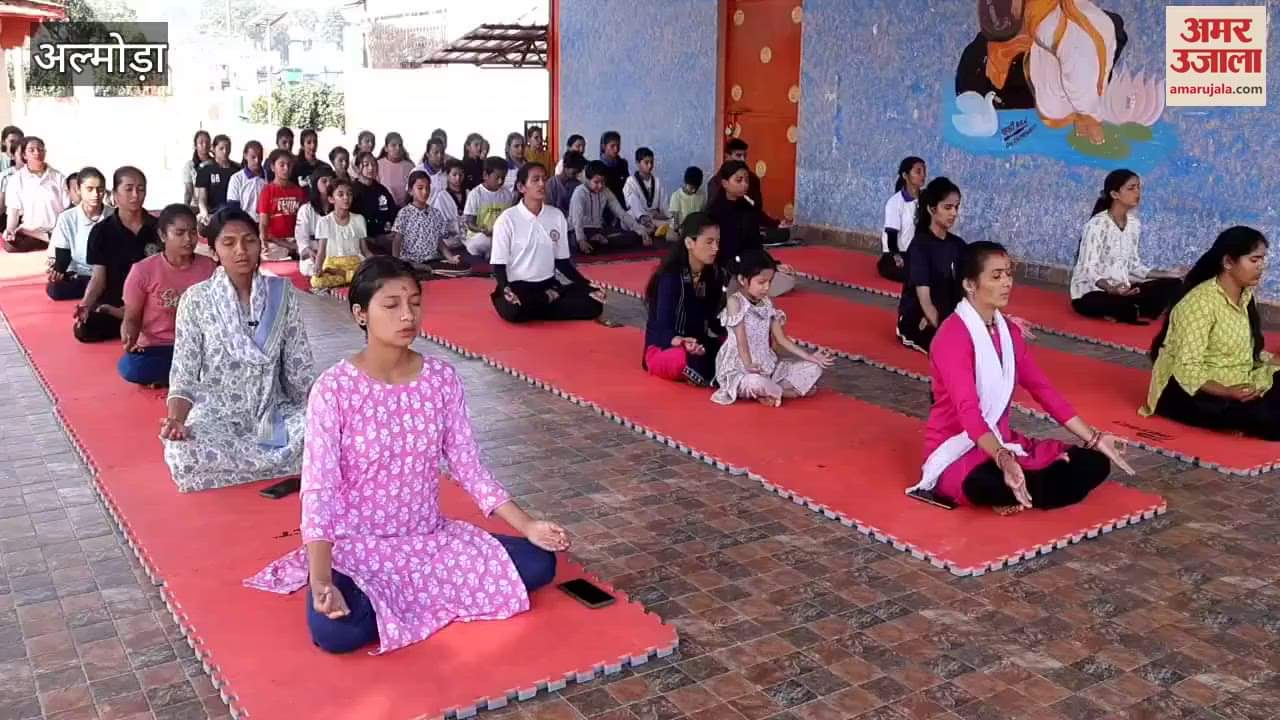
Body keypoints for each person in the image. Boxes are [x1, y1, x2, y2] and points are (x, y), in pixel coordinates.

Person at [244, 256, 565, 655]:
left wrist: (528, 524)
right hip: (359, 549)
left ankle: (406, 600)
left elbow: (468, 466)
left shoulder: (442, 380)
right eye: (391, 305)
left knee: (540, 563)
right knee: (335, 634)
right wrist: (322, 578)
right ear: (360, 314)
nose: (407, 315)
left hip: (428, 542)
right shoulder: (334, 390)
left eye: (414, 302)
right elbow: (319, 489)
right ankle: (415, 595)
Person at [909, 241, 1132, 513]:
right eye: (996, 276)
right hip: (958, 449)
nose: (1007, 282)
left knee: (1095, 463)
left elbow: (1043, 389)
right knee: (984, 483)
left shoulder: (1009, 333)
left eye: (1008, 274)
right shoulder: (951, 338)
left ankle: (1020, 485)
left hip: (1003, 441)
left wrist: (1095, 438)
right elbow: (968, 412)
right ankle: (1016, 484)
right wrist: (1003, 459)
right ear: (969, 284)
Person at [161, 209, 315, 492]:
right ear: (214, 251)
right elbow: (184, 372)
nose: (241, 250)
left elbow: (299, 366)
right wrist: (176, 420)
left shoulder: (282, 293)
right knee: (182, 451)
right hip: (219, 417)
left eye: (249, 241)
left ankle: (266, 458)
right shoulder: (196, 300)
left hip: (273, 413)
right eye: (229, 243)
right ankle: (277, 462)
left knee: (321, 430)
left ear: (260, 244)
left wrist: (318, 410)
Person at [1143, 227, 1280, 439]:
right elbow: (1187, 368)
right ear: (1228, 262)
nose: (1261, 266)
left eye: (1262, 259)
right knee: (1271, 420)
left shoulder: (1246, 297)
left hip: (1240, 380)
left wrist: (1271, 360)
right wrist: (1228, 391)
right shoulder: (1198, 304)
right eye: (1254, 260)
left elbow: (1242, 350)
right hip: (1195, 391)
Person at [711, 250, 831, 406]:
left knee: (815, 368)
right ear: (742, 280)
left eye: (770, 282)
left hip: (768, 368)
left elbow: (781, 339)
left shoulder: (767, 303)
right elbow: (741, 341)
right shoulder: (735, 302)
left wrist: (809, 357)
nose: (766, 287)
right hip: (741, 369)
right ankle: (784, 392)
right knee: (756, 382)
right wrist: (748, 365)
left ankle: (773, 393)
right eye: (761, 282)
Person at [490, 163, 606, 323]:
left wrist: (586, 285)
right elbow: (499, 265)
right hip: (518, 287)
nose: (541, 184)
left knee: (594, 304)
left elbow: (562, 262)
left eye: (544, 179)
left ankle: (544, 301)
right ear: (521, 187)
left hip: (547, 285)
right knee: (514, 310)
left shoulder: (556, 216)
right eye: (535, 180)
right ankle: (548, 301)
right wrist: (505, 289)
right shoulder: (507, 220)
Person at [118, 205, 216, 387]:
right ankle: (186, 375)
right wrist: (129, 337)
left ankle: (176, 376)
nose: (188, 239)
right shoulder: (142, 270)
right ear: (163, 235)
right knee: (131, 367)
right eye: (179, 233)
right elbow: (132, 316)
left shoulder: (209, 267)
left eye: (192, 232)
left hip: (198, 345)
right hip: (158, 347)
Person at [1070, 169, 1181, 324]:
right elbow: (1088, 269)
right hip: (1093, 292)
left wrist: (1170, 274)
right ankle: (1131, 309)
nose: (1137, 192)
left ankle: (1131, 309)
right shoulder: (1097, 224)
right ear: (1115, 194)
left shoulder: (1134, 224)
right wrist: (1111, 289)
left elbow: (1134, 266)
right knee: (1106, 302)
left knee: (1174, 284)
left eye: (1138, 187)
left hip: (1123, 290)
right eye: (1131, 188)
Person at [76, 167, 159, 343]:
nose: (135, 195)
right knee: (85, 328)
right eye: (128, 189)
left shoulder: (159, 228)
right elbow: (98, 279)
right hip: (115, 300)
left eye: (141, 189)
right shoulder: (101, 231)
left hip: (152, 301)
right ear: (115, 194)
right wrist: (85, 304)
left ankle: (135, 320)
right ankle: (127, 318)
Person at [643, 213, 726, 386]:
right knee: (680, 358)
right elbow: (662, 327)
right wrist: (680, 341)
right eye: (709, 242)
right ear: (689, 243)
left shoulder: (714, 275)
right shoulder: (670, 277)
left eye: (718, 242)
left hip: (698, 344)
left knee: (730, 348)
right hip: (666, 346)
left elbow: (714, 322)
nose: (716, 248)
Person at [897, 177, 967, 352]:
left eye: (956, 207)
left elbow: (972, 289)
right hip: (920, 317)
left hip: (948, 316)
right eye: (948, 207)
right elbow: (925, 300)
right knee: (952, 352)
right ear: (931, 209)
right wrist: (946, 331)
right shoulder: (920, 247)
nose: (954, 213)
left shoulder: (958, 245)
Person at [706, 161, 795, 296]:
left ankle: (748, 285)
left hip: (748, 264)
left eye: (746, 180)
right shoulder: (714, 212)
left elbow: (755, 244)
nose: (745, 184)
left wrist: (772, 265)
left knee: (787, 280)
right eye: (739, 180)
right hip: (724, 267)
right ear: (725, 183)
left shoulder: (748, 208)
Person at [48, 167, 109, 301]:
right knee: (55, 289)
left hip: (107, 273)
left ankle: (96, 290)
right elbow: (63, 254)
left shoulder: (113, 216)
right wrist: (58, 270)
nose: (96, 194)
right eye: (89, 189)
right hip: (81, 274)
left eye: (100, 189)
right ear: (79, 190)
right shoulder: (67, 217)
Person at [392, 171, 466, 276]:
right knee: (408, 266)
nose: (425, 192)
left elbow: (439, 241)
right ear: (410, 191)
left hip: (432, 259)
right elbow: (397, 240)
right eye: (420, 188)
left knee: (459, 271)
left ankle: (428, 268)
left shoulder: (436, 213)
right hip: (410, 260)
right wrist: (395, 263)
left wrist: (450, 258)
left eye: (428, 188)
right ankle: (421, 268)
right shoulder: (404, 213)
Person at [3, 137, 70, 252]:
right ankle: (45, 240)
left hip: (55, 231)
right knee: (10, 246)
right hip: (30, 232)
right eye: (32, 150)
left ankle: (50, 240)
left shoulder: (58, 177)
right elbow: (13, 210)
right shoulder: (16, 179)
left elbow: (67, 209)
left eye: (40, 149)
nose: (37, 153)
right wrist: (10, 230)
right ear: (24, 155)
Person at [568, 161, 650, 255]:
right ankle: (596, 241)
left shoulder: (605, 191)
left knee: (634, 236)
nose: (600, 185)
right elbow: (577, 219)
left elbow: (621, 213)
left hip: (598, 230)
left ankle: (600, 240)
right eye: (596, 182)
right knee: (579, 243)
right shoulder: (579, 193)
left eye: (603, 182)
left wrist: (640, 229)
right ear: (587, 179)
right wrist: (581, 240)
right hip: (577, 231)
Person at [706, 139, 784, 238]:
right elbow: (712, 216)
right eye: (738, 155)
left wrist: (775, 224)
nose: (742, 160)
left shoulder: (753, 179)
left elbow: (756, 210)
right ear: (727, 157)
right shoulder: (715, 183)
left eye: (745, 156)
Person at [312, 179, 370, 290]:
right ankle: (350, 278)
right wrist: (318, 267)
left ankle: (344, 276)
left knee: (370, 275)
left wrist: (375, 264)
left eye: (349, 194)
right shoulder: (324, 221)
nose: (346, 198)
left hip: (355, 263)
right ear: (331, 199)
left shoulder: (359, 219)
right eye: (341, 194)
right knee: (316, 281)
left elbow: (364, 250)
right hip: (333, 264)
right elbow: (321, 251)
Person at [879, 156, 926, 283]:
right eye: (918, 171)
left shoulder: (926, 199)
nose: (923, 175)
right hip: (898, 254)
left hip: (918, 254)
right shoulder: (895, 202)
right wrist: (897, 257)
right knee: (918, 276)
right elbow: (891, 236)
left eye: (924, 171)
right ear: (905, 175)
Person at [257, 150, 308, 261]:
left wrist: (298, 243)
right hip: (275, 242)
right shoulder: (267, 191)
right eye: (282, 165)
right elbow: (263, 224)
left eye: (289, 165)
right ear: (273, 167)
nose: (286, 168)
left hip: (296, 240)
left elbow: (304, 222)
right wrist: (263, 242)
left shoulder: (298, 191)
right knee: (266, 257)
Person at [462, 157, 514, 259]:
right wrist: (481, 230)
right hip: (479, 237)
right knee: (484, 241)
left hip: (499, 236)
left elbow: (508, 219)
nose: (500, 181)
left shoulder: (507, 194)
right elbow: (469, 223)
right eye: (497, 178)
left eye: (503, 178)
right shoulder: (475, 194)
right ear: (485, 175)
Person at [351, 151, 398, 254]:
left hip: (385, 237)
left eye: (374, 164)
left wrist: (393, 231)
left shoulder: (382, 190)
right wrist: (371, 239)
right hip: (363, 241)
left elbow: (393, 212)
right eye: (366, 165)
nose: (371, 168)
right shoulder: (352, 191)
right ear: (358, 168)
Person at [295, 166, 335, 277]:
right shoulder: (306, 210)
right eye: (324, 181)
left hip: (335, 253)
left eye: (331, 181)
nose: (328, 184)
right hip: (313, 253)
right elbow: (301, 240)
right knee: (312, 269)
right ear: (315, 184)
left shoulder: (339, 207)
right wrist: (309, 251)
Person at [623, 147, 670, 238]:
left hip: (654, 216)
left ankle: (652, 228)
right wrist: (642, 216)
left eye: (652, 162)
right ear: (638, 163)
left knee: (672, 221)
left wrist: (666, 214)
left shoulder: (657, 181)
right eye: (646, 162)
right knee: (628, 217)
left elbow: (664, 204)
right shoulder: (631, 181)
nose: (650, 165)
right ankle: (652, 228)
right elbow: (632, 201)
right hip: (639, 217)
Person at [194, 134, 239, 227]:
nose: (225, 152)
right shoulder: (205, 169)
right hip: (213, 213)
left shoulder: (237, 169)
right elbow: (202, 197)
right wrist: (204, 212)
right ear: (214, 149)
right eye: (221, 148)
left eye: (228, 148)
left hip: (233, 213)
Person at [430, 159, 468, 252]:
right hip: (450, 237)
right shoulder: (441, 197)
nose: (458, 178)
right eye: (454, 175)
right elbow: (438, 223)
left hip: (468, 235)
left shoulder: (469, 193)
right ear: (447, 175)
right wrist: (454, 228)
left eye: (461, 175)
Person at [226, 141, 266, 221]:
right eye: (253, 157)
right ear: (245, 156)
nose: (257, 161)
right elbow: (233, 207)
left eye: (260, 157)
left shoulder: (269, 177)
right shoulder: (237, 178)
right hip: (244, 223)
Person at [376, 132, 415, 207]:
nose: (398, 148)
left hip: (405, 208)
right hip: (383, 208)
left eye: (400, 145)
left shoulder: (410, 166)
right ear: (386, 148)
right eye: (393, 145)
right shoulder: (378, 165)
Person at [668, 166, 706, 231]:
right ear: (685, 183)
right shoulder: (676, 196)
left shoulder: (702, 194)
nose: (694, 191)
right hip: (680, 230)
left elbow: (703, 214)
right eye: (691, 188)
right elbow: (676, 224)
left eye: (696, 188)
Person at [181, 130, 212, 210]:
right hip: (196, 207)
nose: (205, 145)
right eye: (201, 142)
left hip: (215, 206)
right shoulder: (190, 165)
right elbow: (188, 191)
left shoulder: (215, 163)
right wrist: (185, 209)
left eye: (207, 142)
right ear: (195, 145)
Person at [547, 150, 584, 215]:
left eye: (578, 172)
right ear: (565, 166)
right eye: (574, 172)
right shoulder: (551, 184)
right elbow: (549, 208)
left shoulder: (578, 185)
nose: (576, 174)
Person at [597, 131, 629, 206]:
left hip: (623, 204)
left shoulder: (623, 164)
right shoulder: (598, 167)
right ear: (603, 146)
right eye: (612, 146)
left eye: (618, 145)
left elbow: (627, 186)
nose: (616, 149)